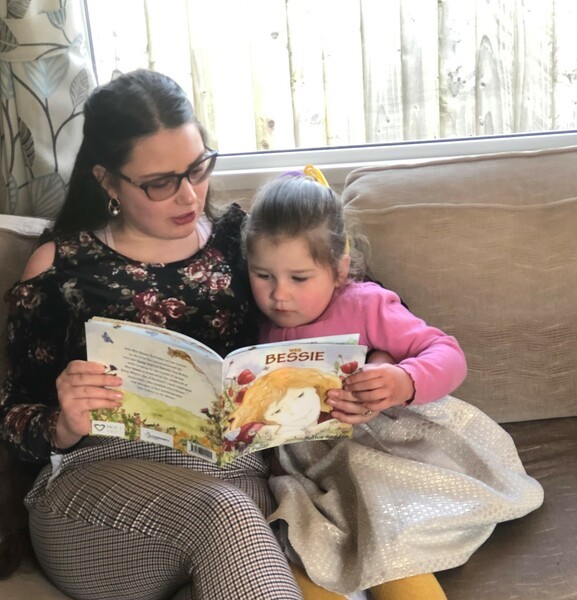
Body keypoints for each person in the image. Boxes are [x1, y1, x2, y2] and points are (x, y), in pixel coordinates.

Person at [0, 69, 302, 599]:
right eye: (161, 183)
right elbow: (12, 417)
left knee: (243, 527)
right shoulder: (62, 265)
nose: (189, 195)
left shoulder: (247, 239)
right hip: (97, 488)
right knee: (226, 516)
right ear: (107, 180)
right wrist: (64, 421)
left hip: (235, 479)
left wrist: (378, 369)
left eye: (198, 167)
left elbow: (359, 305)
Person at [241, 169, 545, 598]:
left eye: (299, 277)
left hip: (383, 444)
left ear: (339, 268)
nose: (279, 295)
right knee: (299, 549)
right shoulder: (255, 324)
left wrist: (403, 379)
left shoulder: (365, 304)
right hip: (306, 467)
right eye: (263, 275)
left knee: (388, 532)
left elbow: (447, 354)